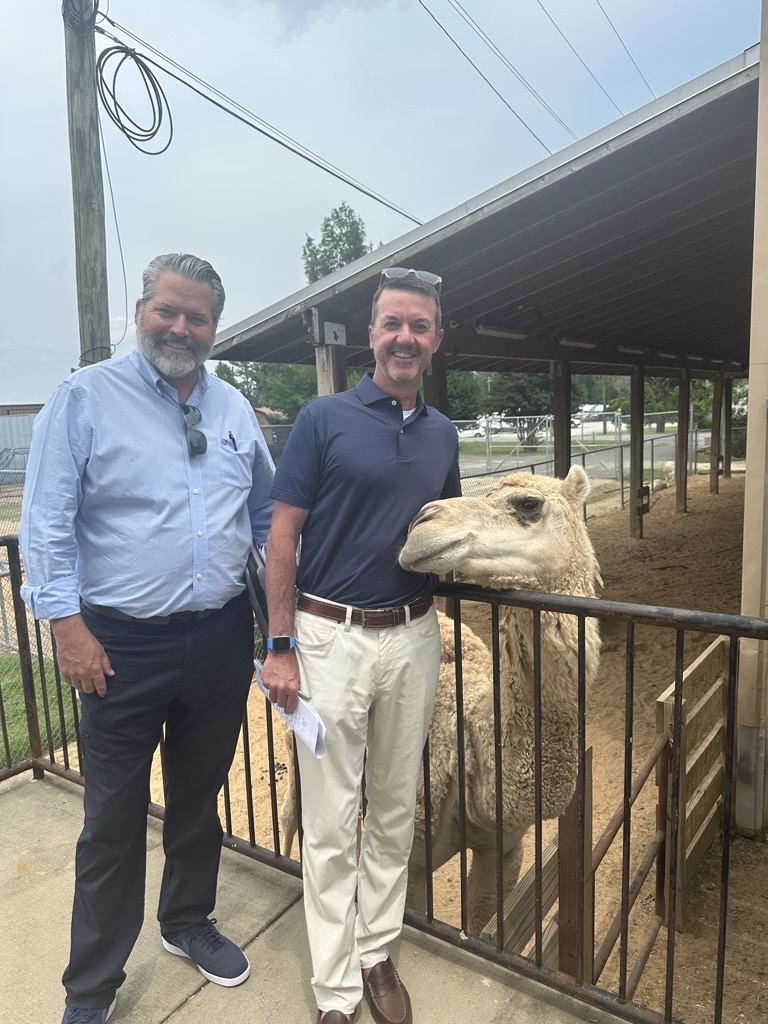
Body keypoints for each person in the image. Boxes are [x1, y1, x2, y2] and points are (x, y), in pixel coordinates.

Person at [20, 253, 275, 1024]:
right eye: (168, 310)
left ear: (214, 328)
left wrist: (279, 623)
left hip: (222, 636)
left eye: (197, 317)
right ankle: (91, 988)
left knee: (197, 801)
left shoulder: (234, 409)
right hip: (118, 646)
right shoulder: (84, 397)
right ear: (141, 308)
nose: (180, 327)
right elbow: (47, 525)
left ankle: (186, 921)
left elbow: (265, 518)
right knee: (111, 822)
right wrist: (66, 626)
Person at [262, 267, 460, 1024]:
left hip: (411, 638)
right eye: (392, 324)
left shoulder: (441, 431)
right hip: (327, 637)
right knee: (331, 814)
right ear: (370, 335)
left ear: (435, 340)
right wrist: (279, 645)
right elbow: (283, 536)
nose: (404, 338)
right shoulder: (323, 418)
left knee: (393, 812)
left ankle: (377, 952)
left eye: (419, 326)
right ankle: (336, 988)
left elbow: (438, 530)